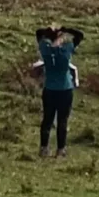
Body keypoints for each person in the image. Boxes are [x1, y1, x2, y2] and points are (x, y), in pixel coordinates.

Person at [36, 26, 84, 157]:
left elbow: (38, 33)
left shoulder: (45, 49)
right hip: (65, 89)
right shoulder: (66, 50)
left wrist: (50, 31)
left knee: (47, 119)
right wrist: (67, 29)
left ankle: (44, 148)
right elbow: (80, 35)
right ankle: (60, 149)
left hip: (49, 88)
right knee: (62, 120)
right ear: (61, 38)